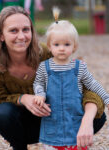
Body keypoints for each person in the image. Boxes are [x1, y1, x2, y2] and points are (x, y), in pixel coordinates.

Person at [0, 6, 106, 150]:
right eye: (13, 30)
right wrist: (23, 98)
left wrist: (86, 122)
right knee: (2, 114)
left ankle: (67, 143)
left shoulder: (48, 53)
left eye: (26, 30)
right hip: (25, 125)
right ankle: (19, 147)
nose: (21, 36)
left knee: (98, 116)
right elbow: (0, 98)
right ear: (1, 35)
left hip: (58, 117)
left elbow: (87, 90)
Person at [33, 8, 109, 150]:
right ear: (49, 46)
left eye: (66, 44)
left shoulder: (79, 67)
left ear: (74, 47)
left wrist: (106, 98)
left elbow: (92, 84)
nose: (61, 48)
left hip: (75, 123)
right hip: (52, 123)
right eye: (57, 44)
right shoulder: (44, 67)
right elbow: (38, 83)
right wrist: (40, 94)